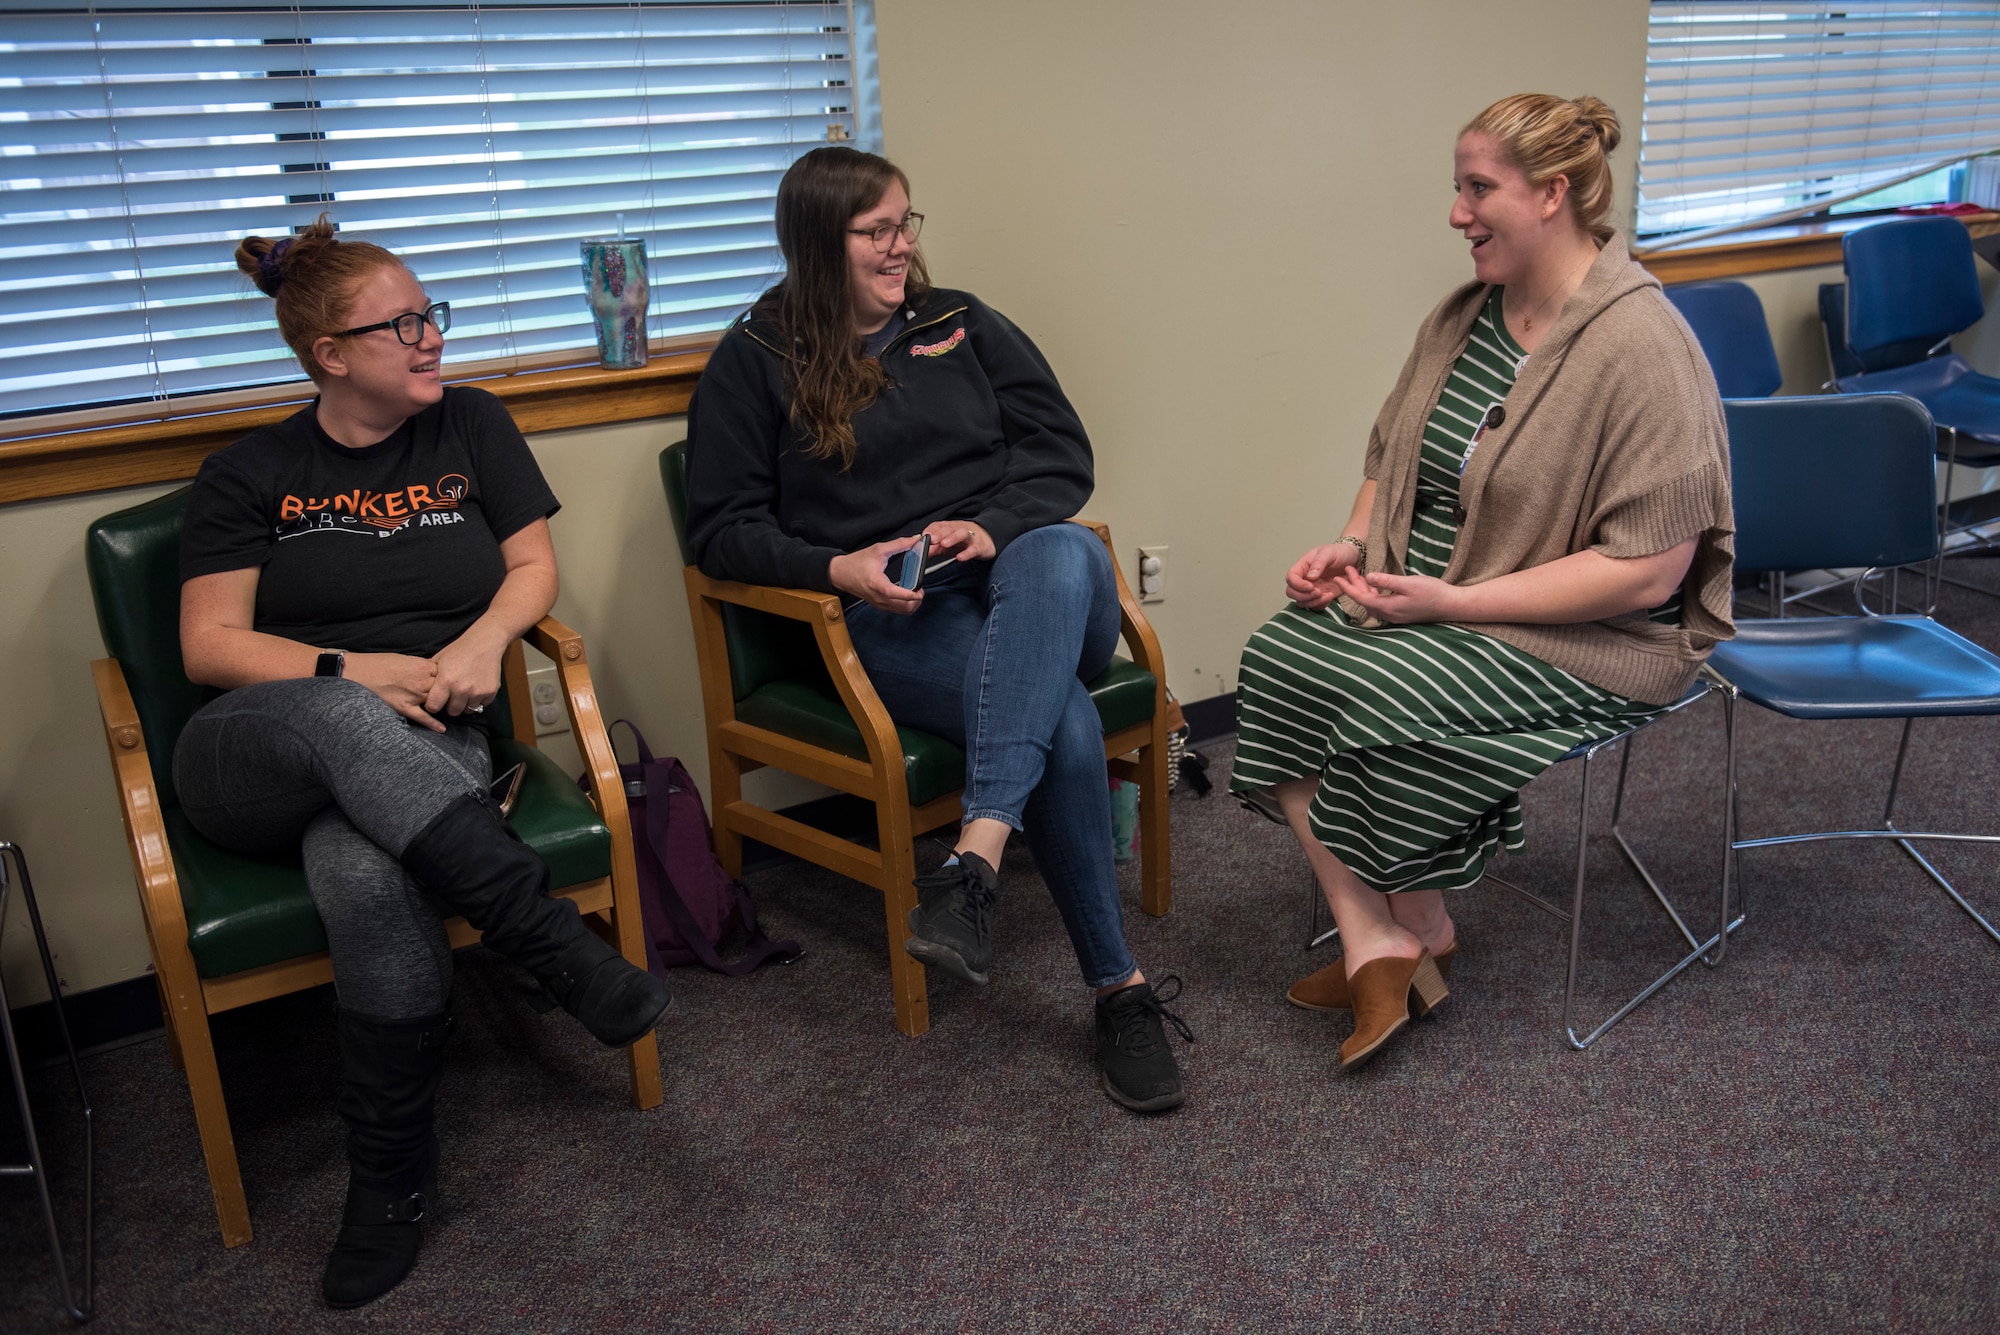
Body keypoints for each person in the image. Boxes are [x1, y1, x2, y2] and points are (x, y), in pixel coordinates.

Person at [174, 219, 672, 1308]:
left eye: (429, 313)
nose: (428, 337)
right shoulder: (249, 471)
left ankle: (388, 1183)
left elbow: (531, 567)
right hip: (252, 752)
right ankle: (544, 938)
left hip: (433, 728)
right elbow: (210, 648)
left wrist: (481, 643)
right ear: (331, 355)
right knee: (343, 713)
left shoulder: (472, 427)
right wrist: (353, 670)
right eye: (400, 325)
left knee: (364, 875)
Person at [684, 146, 1193, 1113]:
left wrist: (989, 526)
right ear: (815, 243)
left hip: (1028, 583)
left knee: (1057, 549)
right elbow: (721, 531)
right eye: (877, 230)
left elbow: (1061, 453)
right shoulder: (756, 360)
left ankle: (973, 857)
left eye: (908, 223)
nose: (902, 246)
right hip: (900, 622)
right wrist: (840, 569)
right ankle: (1117, 990)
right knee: (1072, 724)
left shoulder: (960, 322)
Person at [1232, 94, 1734, 1072]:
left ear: (1550, 194)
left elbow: (1650, 571)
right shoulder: (1463, 316)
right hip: (1434, 592)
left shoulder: (1643, 347)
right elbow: (1394, 455)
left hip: (1596, 635)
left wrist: (1454, 604)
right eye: (1455, 190)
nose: (1455, 214)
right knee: (1276, 653)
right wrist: (1348, 545)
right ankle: (1380, 931)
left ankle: (1410, 924)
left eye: (1476, 190)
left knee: (1373, 689)